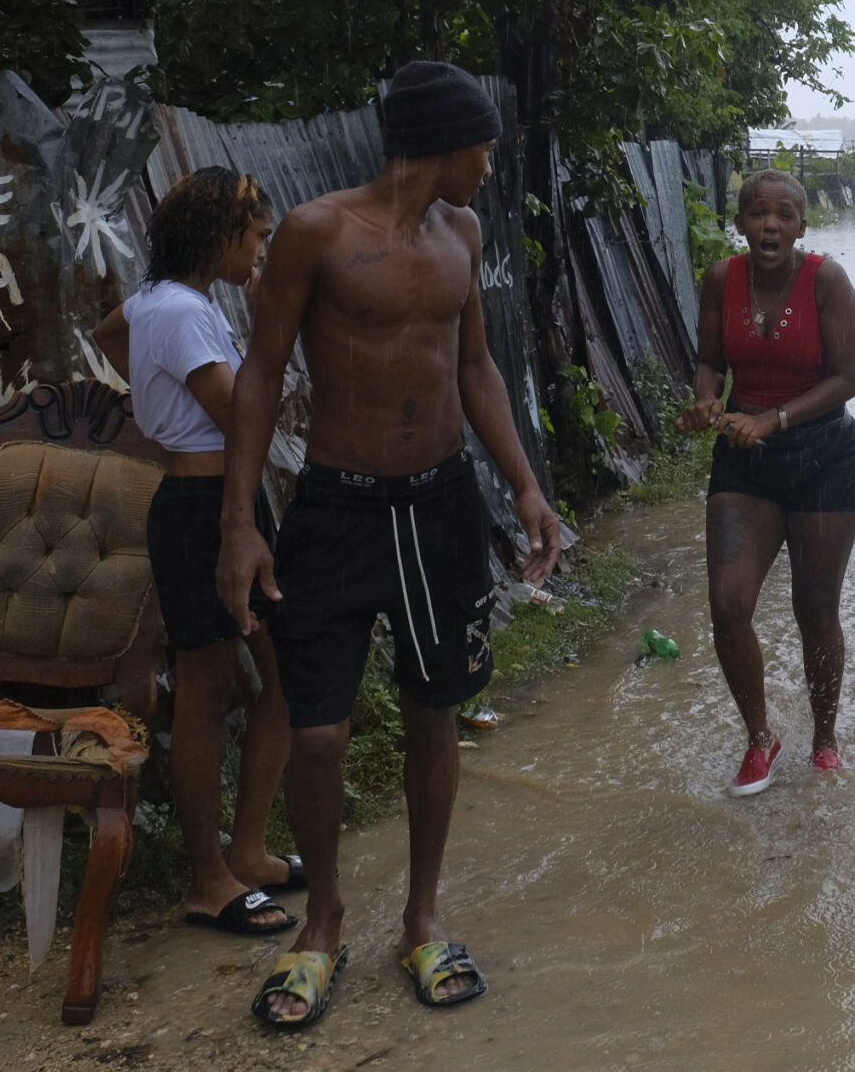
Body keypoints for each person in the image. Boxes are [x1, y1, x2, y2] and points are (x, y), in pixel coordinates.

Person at [216, 61, 561, 1031]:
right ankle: (321, 917)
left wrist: (527, 486)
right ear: (445, 143)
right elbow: (259, 373)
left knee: (431, 713)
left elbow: (476, 368)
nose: (490, 164)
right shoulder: (318, 232)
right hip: (337, 507)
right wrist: (239, 522)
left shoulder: (462, 233)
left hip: (439, 505)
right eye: (483, 146)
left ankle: (421, 914)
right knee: (317, 730)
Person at [91, 169, 301, 938]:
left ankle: (247, 851)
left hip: (220, 504)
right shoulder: (181, 311)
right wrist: (275, 345)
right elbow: (238, 407)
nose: (263, 250)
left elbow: (112, 334)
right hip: (201, 510)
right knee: (209, 691)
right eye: (256, 237)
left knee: (281, 676)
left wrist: (155, 400)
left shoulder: (161, 304)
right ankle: (209, 878)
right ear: (221, 237)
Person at [679, 168, 855, 796]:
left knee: (815, 609)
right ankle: (760, 740)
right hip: (746, 458)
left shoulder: (827, 281)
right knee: (729, 605)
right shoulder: (720, 281)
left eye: (784, 215)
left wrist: (775, 418)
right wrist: (708, 399)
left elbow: (848, 379)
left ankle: (824, 741)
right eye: (758, 213)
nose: (770, 225)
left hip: (824, 458)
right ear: (740, 224)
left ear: (801, 228)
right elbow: (710, 360)